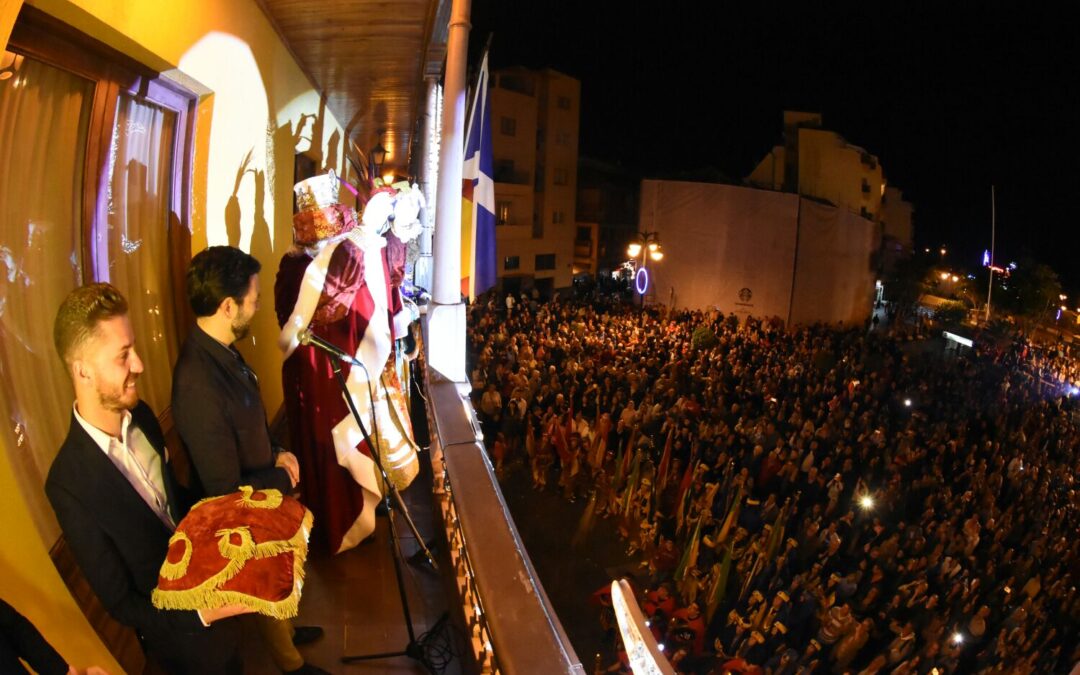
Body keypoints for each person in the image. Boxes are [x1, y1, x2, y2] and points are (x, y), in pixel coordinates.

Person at [46, 283, 247, 674]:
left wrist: (235, 515)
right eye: (123, 356)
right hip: (180, 647)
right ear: (83, 370)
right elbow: (121, 603)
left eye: (133, 348)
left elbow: (176, 506)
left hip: (224, 602)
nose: (138, 364)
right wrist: (202, 613)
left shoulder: (142, 417)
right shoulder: (67, 484)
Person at [171, 247, 327, 675]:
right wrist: (279, 474)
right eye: (252, 299)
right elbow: (223, 485)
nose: (257, 307)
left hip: (263, 488)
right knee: (263, 582)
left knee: (278, 571)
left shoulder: (221, 351)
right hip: (241, 515)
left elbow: (248, 421)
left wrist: (277, 451)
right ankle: (292, 666)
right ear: (227, 306)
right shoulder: (197, 382)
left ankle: (290, 634)